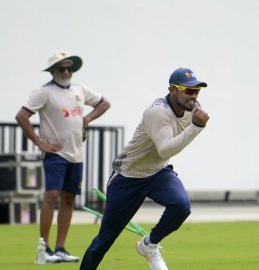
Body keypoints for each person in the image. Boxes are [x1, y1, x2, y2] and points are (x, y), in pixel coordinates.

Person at [80, 67, 209, 270]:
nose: (194, 95)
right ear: (172, 90)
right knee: (104, 240)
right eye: (188, 90)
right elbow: (165, 149)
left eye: (197, 90)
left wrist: (194, 125)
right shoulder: (157, 111)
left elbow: (164, 155)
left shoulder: (194, 108)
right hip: (128, 175)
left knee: (181, 205)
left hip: (157, 172)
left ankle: (149, 245)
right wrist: (195, 128)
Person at [15, 51, 111, 263]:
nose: (66, 72)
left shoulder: (80, 90)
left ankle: (60, 248)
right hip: (56, 154)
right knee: (51, 197)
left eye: (69, 68)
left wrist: (87, 119)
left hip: (76, 154)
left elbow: (104, 103)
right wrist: (40, 143)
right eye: (61, 68)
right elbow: (22, 116)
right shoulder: (44, 92)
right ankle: (44, 248)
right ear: (52, 71)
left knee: (69, 199)